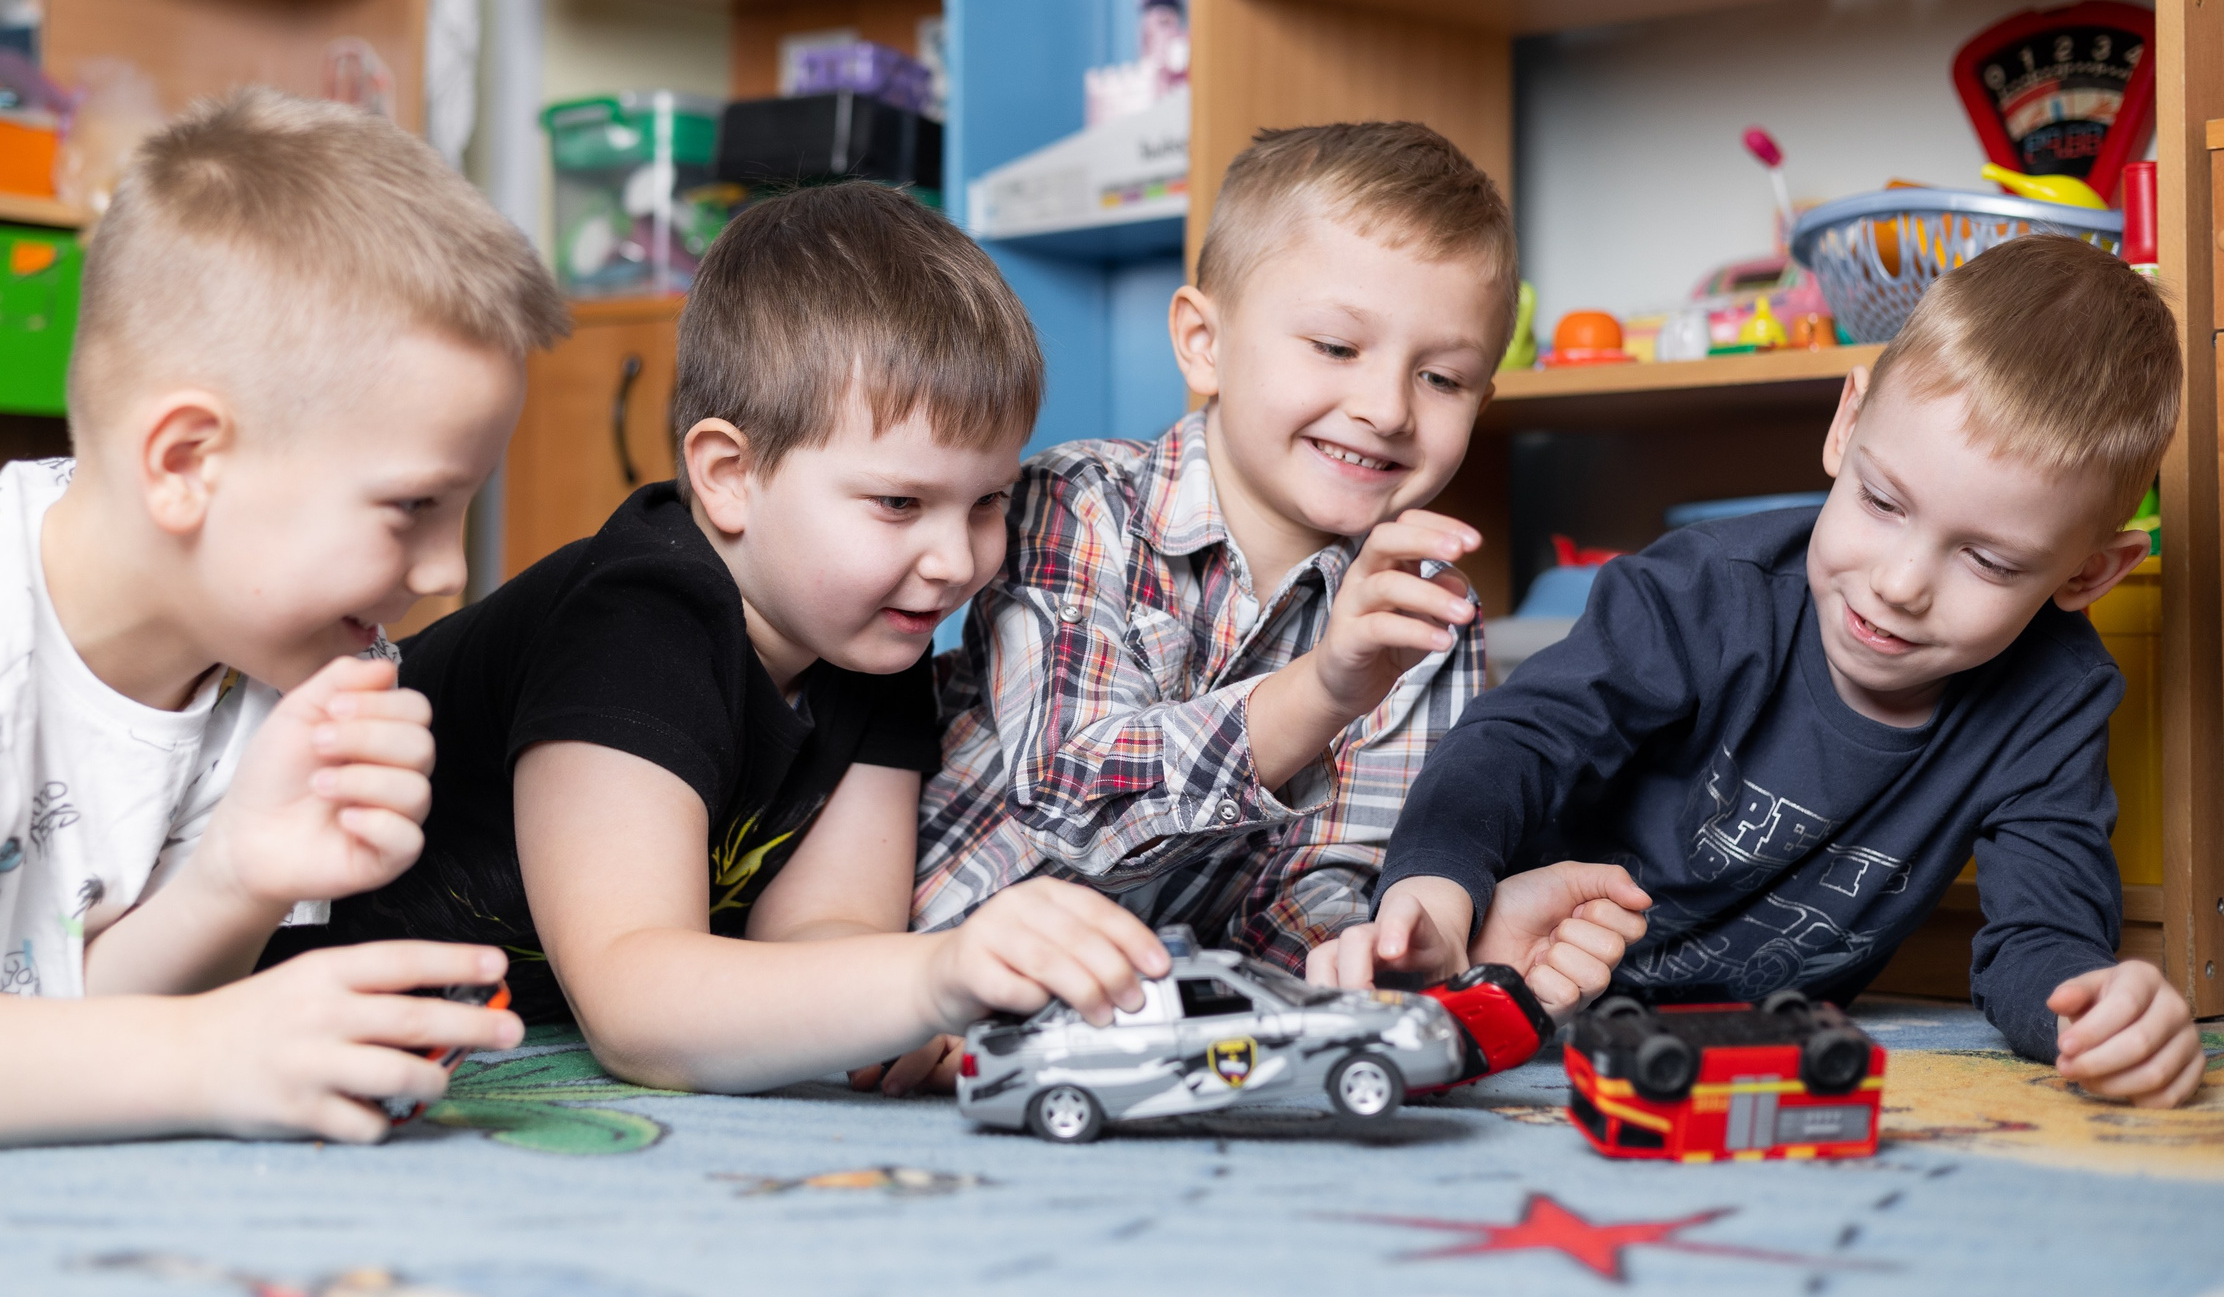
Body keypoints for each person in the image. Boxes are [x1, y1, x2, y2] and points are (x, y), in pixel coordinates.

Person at [0, 91, 566, 1149]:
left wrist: (237, 878)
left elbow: (60, 1015)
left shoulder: (262, 666)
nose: (449, 570)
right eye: (413, 507)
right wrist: (205, 1056)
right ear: (186, 463)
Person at [275, 182, 1178, 1095]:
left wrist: (898, 1006)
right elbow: (636, 1004)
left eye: (987, 502)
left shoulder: (872, 636)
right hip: (266, 982)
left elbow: (823, 929)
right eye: (900, 502)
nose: (953, 559)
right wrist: (932, 972)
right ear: (729, 476)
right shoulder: (637, 618)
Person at [1369, 234, 2204, 1108]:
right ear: (1848, 422)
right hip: (1515, 961)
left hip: (1743, 1047)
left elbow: (2042, 935)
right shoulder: (1702, 591)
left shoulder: (2054, 698)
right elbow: (1519, 739)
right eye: (1884, 504)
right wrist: (1438, 885)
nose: (1899, 584)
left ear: (2088, 573)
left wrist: (2091, 1008)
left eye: (1988, 562)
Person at [914, 122, 1649, 1037]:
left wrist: (1381, 948)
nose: (1385, 408)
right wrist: (1323, 688)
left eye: (1441, 377)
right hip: (933, 979)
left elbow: (1313, 883)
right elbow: (1076, 799)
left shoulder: (1424, 609)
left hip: (1138, 1027)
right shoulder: (1080, 503)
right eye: (1337, 349)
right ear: (1203, 342)